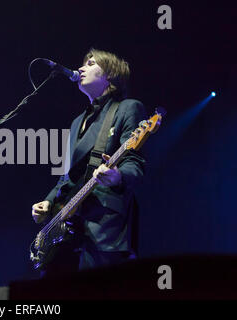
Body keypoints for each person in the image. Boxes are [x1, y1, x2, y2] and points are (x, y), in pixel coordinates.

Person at [32, 48, 147, 277]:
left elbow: (135, 162)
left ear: (111, 75)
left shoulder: (128, 108)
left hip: (103, 225)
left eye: (92, 63)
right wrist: (47, 201)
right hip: (66, 228)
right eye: (83, 63)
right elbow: (66, 176)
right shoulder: (77, 122)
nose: (82, 68)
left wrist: (117, 176)